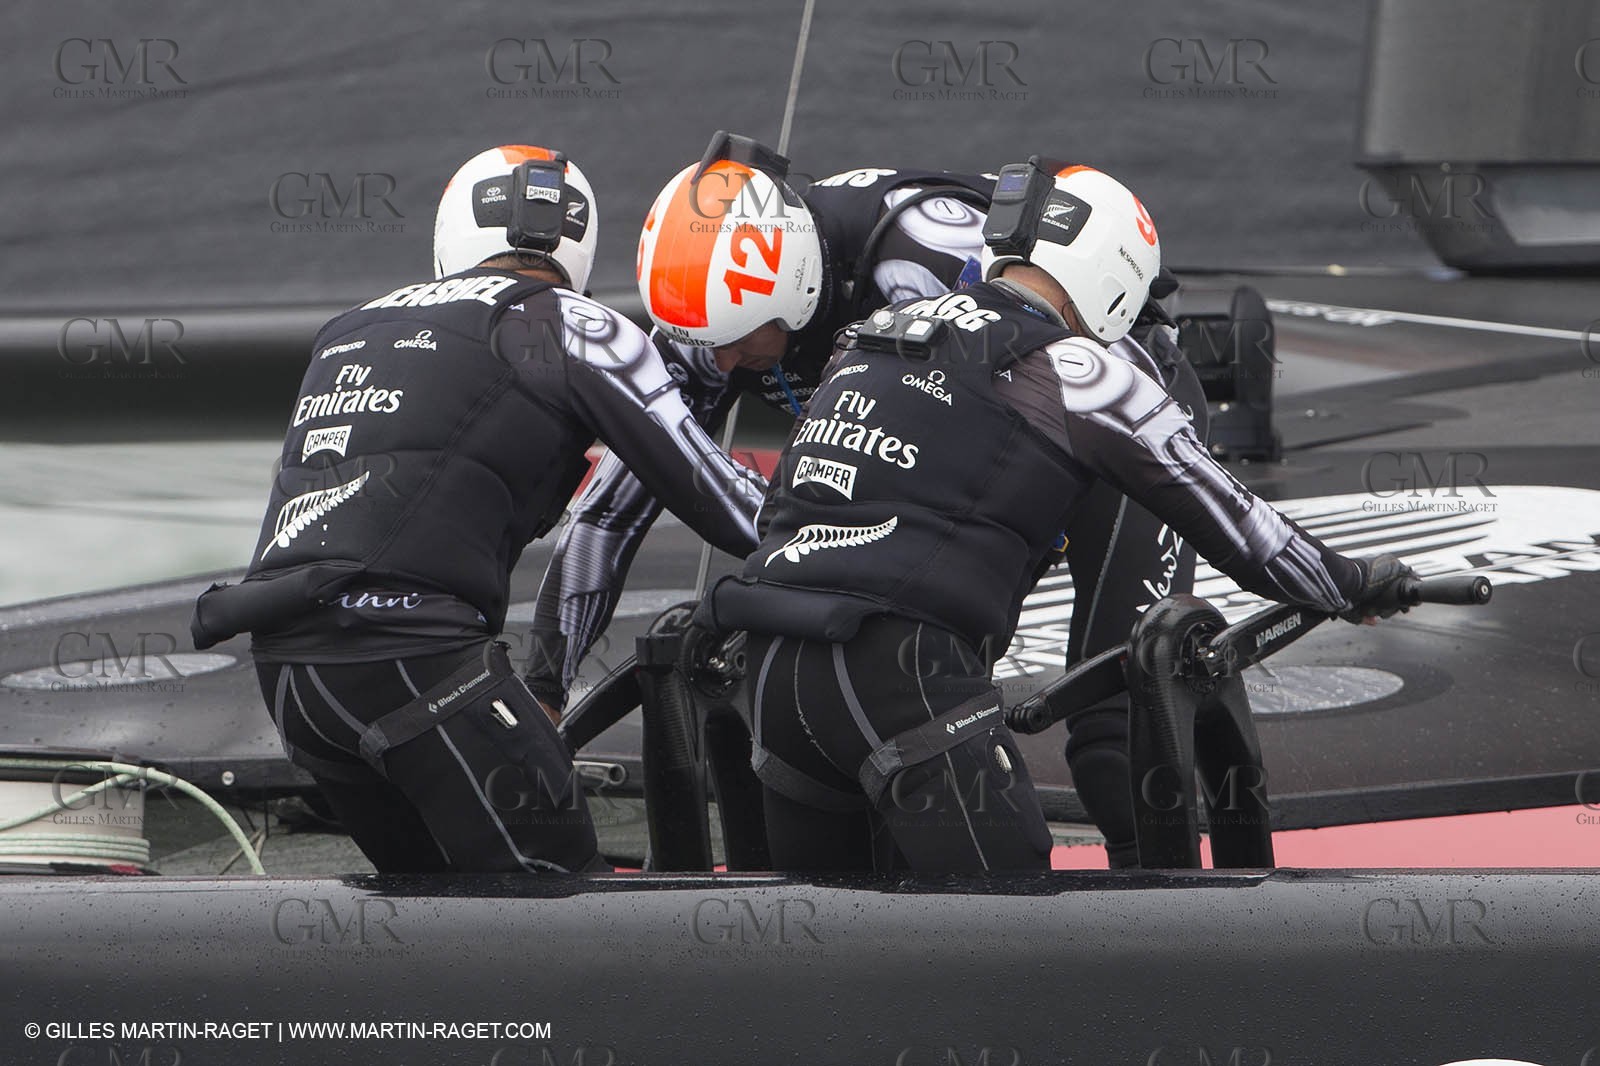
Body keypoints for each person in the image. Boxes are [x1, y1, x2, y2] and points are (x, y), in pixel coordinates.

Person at [693, 159, 1415, 874]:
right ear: (1115, 284)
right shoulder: (1077, 367)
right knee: (1020, 958)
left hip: (775, 672)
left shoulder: (872, 331)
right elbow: (1241, 527)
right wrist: (1353, 584)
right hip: (900, 677)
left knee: (821, 963)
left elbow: (788, 499)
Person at [529, 132, 1208, 869]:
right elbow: (608, 510)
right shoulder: (720, 310)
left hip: (1113, 385)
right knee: (878, 708)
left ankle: (1170, 940)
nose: (720, 364)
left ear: (793, 290)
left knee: (1113, 722)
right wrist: (545, 687)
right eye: (702, 344)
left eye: (733, 342)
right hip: (949, 459)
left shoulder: (925, 261)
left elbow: (1074, 403)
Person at [189, 144, 766, 874]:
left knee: (427, 922)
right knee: (562, 911)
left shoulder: (345, 329)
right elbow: (729, 513)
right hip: (416, 669)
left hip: (288, 678)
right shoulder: (577, 324)